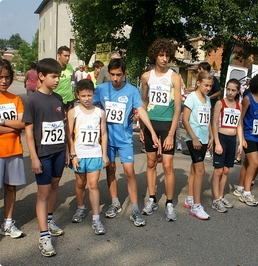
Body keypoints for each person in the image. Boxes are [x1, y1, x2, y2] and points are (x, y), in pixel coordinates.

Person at [93, 58, 159, 226]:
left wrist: (151, 131)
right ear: (108, 73)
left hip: (124, 139)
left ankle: (135, 210)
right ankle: (115, 203)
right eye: (112, 75)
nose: (115, 79)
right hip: (107, 139)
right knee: (111, 169)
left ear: (124, 74)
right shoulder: (101, 89)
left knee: (129, 171)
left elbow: (141, 110)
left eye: (119, 75)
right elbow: (88, 106)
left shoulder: (131, 91)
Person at [22, 58, 67, 257]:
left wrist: (66, 151)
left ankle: (49, 219)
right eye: (53, 76)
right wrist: (33, 157)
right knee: (43, 192)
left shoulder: (58, 99)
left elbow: (63, 127)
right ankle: (44, 236)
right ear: (41, 76)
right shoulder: (32, 100)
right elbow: (29, 132)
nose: (57, 79)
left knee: (55, 184)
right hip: (43, 154)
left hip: (59, 151)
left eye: (59, 76)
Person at [140, 39, 181, 222]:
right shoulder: (146, 77)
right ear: (155, 55)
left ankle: (170, 203)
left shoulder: (175, 77)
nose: (164, 59)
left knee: (167, 165)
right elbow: (143, 103)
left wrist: (172, 133)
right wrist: (142, 127)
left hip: (167, 125)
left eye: (167, 55)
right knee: (150, 163)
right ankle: (152, 198)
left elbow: (178, 108)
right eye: (161, 55)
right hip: (150, 123)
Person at [66, 79, 109, 234]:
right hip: (79, 154)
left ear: (93, 94)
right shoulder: (73, 112)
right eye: (83, 95)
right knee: (80, 183)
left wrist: (104, 154)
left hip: (95, 154)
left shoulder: (100, 113)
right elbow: (69, 135)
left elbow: (103, 134)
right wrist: (72, 155)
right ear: (78, 95)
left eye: (89, 95)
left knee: (93, 185)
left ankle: (96, 219)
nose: (86, 98)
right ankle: (81, 208)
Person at [233, 73, 258, 206]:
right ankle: (246, 193)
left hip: (257, 135)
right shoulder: (248, 99)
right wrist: (241, 138)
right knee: (254, 163)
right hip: (248, 135)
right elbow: (240, 119)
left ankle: (240, 187)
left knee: (247, 164)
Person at [0, 59, 26, 239]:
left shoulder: (15, 99)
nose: (4, 80)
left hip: (14, 150)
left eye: (7, 77)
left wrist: (2, 122)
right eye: (0, 77)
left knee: (11, 188)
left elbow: (23, 124)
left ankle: (8, 223)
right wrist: (14, 126)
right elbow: (18, 125)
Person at [182, 71, 213, 220]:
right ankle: (196, 206)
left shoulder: (208, 99)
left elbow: (208, 120)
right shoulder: (192, 98)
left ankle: (190, 198)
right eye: (206, 85)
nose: (208, 88)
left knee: (195, 169)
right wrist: (193, 138)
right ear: (198, 82)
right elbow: (185, 120)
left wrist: (212, 136)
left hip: (204, 138)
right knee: (201, 171)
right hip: (194, 139)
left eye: (210, 86)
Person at [210, 78, 242, 213]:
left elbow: (239, 125)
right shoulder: (220, 103)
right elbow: (214, 123)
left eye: (233, 90)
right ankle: (216, 199)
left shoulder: (239, 105)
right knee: (218, 170)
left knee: (226, 170)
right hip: (221, 137)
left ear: (238, 91)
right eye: (228, 89)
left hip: (232, 139)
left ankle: (221, 196)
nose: (230, 92)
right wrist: (216, 142)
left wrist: (240, 142)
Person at [197, 62, 221, 158]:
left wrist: (209, 97)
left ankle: (209, 147)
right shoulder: (199, 79)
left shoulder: (213, 79)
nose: (198, 71)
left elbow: (219, 92)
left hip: (210, 105)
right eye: (206, 85)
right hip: (200, 104)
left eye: (199, 69)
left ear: (202, 69)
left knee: (210, 124)